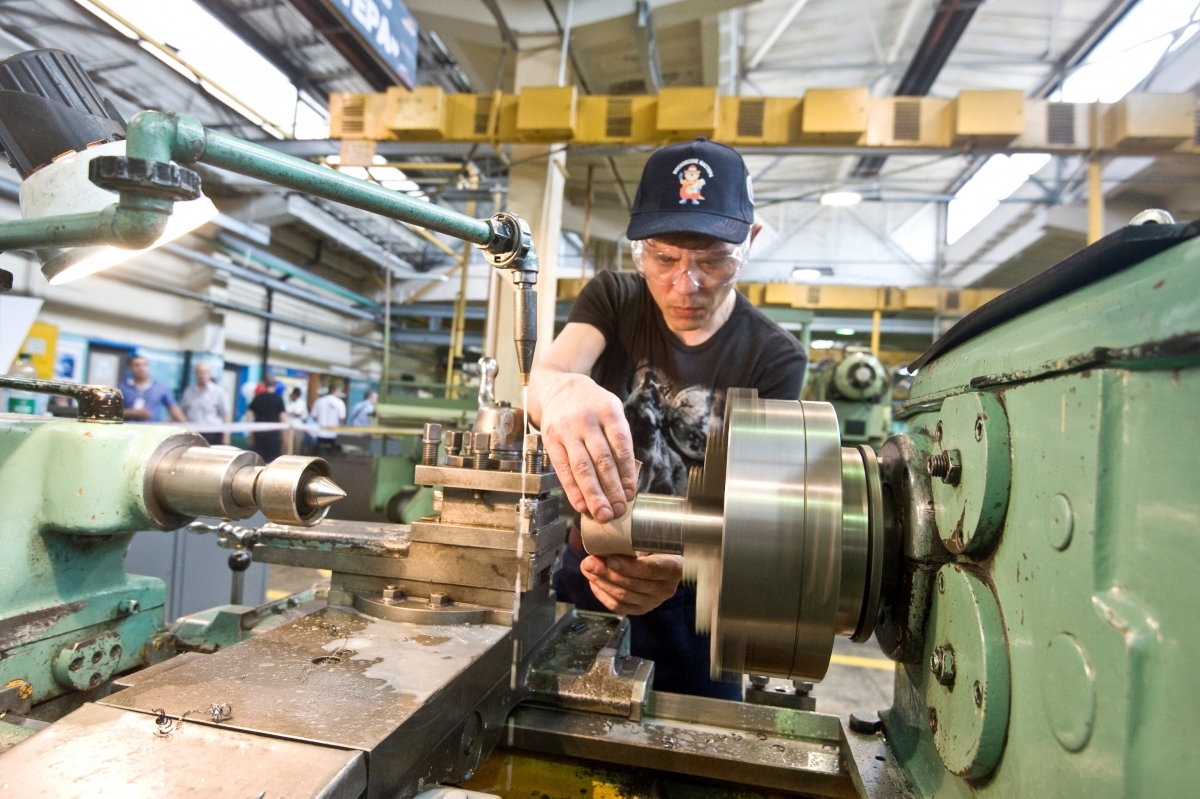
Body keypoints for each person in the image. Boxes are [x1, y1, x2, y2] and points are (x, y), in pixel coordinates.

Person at [528, 138, 807, 700]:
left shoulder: (774, 358)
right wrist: (559, 392)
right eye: (664, 259)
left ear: (749, 243)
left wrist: (680, 564)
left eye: (712, 261)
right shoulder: (613, 299)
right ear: (637, 248)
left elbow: (761, 513)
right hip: (584, 572)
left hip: (696, 603)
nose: (687, 285)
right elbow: (547, 375)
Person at [120, 355, 187, 423]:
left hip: (153, 430)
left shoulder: (161, 387)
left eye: (145, 365)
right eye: (137, 365)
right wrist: (134, 413)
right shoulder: (121, 387)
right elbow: (112, 413)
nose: (141, 368)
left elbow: (173, 408)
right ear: (130, 368)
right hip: (128, 429)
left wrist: (185, 424)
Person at [179, 362, 230, 445]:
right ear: (195, 374)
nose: (202, 375)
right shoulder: (188, 391)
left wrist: (226, 436)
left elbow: (225, 415)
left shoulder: (218, 392)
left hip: (212, 433)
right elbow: (181, 412)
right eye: (200, 372)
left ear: (210, 374)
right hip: (193, 432)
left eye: (205, 372)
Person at [246, 372, 286, 462]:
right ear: (275, 386)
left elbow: (249, 416)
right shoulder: (278, 399)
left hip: (259, 433)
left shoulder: (257, 398)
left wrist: (250, 432)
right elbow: (282, 418)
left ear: (264, 385)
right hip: (273, 435)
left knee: (259, 460)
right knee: (272, 461)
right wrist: (284, 435)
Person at [310, 382, 346, 454]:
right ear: (337, 391)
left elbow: (314, 416)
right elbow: (341, 418)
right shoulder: (340, 403)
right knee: (331, 456)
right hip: (333, 434)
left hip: (320, 434)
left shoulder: (319, 401)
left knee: (319, 455)